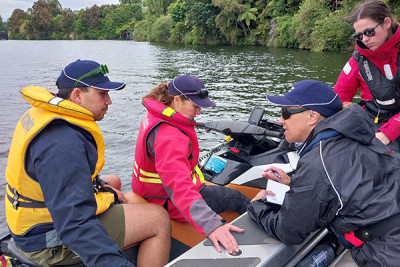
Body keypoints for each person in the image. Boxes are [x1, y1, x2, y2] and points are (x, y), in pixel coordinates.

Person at [5, 59, 171, 267]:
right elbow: (75, 226)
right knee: (159, 219)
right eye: (102, 93)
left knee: (115, 182)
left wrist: (106, 191)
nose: (109, 101)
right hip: (46, 240)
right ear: (77, 95)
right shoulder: (63, 143)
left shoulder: (46, 113)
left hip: (32, 219)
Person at [247, 80, 400, 266]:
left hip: (386, 251)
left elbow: (289, 230)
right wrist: (295, 182)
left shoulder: (318, 161)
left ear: (312, 117)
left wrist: (257, 206)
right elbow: (348, 181)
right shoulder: (357, 135)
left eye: (286, 113)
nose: (280, 120)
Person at [131, 75, 250, 255]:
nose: (199, 112)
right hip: (167, 201)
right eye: (195, 106)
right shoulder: (170, 136)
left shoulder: (155, 114)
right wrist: (212, 225)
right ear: (177, 100)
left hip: (152, 192)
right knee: (238, 198)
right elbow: (179, 188)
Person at [334, 0, 400, 151]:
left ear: (387, 23)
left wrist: (389, 132)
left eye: (369, 32)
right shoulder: (357, 61)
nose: (364, 39)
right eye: (359, 35)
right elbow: (338, 98)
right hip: (371, 124)